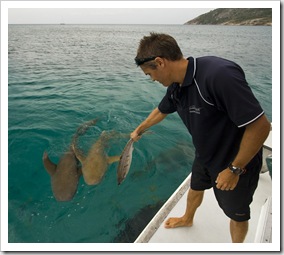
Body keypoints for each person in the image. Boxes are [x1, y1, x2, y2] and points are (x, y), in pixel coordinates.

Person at [130, 33, 271, 243]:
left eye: (149, 74)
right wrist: (139, 130)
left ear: (160, 62)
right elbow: (162, 110)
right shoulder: (176, 86)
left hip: (235, 162)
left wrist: (234, 169)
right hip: (205, 154)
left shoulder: (219, 75)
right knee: (195, 187)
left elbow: (261, 126)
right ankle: (187, 218)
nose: (152, 79)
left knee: (236, 214)